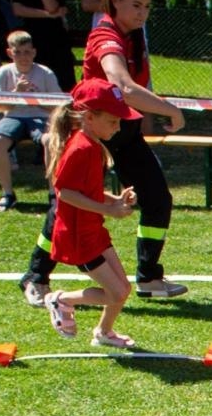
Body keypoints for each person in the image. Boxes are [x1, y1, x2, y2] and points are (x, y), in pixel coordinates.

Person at [17, 0, 187, 305]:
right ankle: (35, 277)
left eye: (147, 6)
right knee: (68, 204)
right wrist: (171, 109)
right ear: (115, 2)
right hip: (94, 132)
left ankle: (149, 276)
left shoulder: (133, 35)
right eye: (136, 5)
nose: (143, 13)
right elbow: (123, 86)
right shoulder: (105, 36)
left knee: (156, 197)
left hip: (123, 132)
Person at [41, 77, 139, 348]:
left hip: (93, 231)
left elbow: (87, 192)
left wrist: (114, 200)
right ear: (88, 117)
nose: (118, 128)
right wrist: (108, 209)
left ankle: (104, 333)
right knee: (117, 292)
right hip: (78, 237)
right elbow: (66, 193)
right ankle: (62, 300)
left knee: (123, 290)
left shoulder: (91, 145)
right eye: (113, 121)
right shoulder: (80, 148)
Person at [0, 29, 59, 211]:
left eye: (27, 52)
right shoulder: (4, 72)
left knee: (51, 141)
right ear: (9, 53)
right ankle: (8, 194)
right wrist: (17, 93)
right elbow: (0, 106)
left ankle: (54, 194)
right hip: (13, 116)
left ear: (34, 52)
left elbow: (59, 106)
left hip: (41, 116)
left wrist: (38, 98)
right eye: (18, 52)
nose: (23, 57)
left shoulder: (45, 73)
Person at [11, 0, 76, 90]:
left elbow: (51, 6)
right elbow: (17, 9)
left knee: (64, 83)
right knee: (36, 83)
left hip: (56, 39)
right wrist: (47, 15)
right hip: (32, 39)